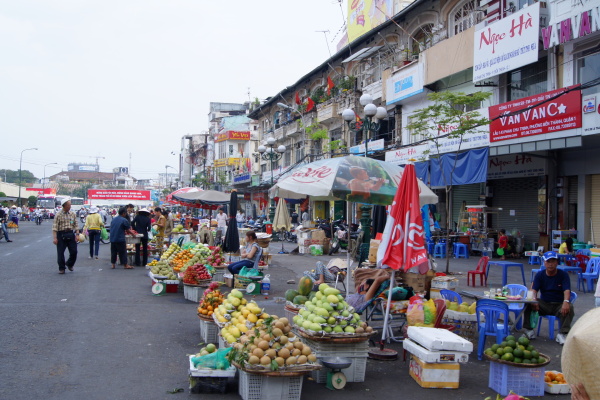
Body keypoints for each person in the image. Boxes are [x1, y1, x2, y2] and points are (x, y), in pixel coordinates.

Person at [523, 251, 574, 345]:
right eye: (548, 261)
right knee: (528, 303)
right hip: (544, 303)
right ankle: (528, 330)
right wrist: (534, 301)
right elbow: (533, 290)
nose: (551, 264)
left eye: (553, 261)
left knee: (569, 307)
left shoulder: (563, 275)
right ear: (544, 263)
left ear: (557, 262)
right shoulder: (540, 275)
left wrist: (566, 301)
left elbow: (567, 290)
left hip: (558, 304)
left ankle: (563, 333)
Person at [52, 198, 81, 274]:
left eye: (70, 205)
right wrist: (55, 238)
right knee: (60, 252)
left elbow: (76, 225)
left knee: (74, 252)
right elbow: (54, 227)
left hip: (71, 234)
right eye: (69, 205)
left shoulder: (72, 214)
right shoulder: (58, 215)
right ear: (64, 206)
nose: (70, 206)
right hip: (61, 234)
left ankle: (69, 264)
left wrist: (77, 235)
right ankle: (62, 268)